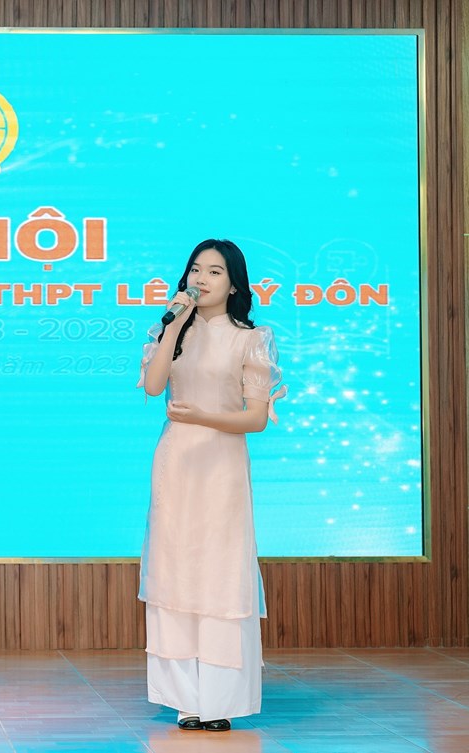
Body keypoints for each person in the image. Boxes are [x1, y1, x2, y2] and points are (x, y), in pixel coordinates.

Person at [137, 239, 284, 732]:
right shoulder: (171, 331)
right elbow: (154, 387)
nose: (201, 279)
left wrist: (202, 416)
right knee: (174, 571)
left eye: (215, 272)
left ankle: (220, 700)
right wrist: (173, 324)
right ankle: (185, 700)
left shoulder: (250, 339)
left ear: (234, 284)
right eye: (195, 270)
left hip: (221, 464)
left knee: (219, 573)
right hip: (176, 462)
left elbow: (256, 418)